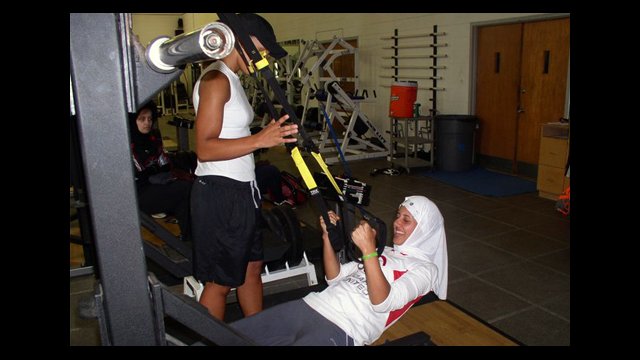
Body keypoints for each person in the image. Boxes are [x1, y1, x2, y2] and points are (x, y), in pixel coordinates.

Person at [190, 13, 298, 321]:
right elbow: (205, 148)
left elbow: (233, 135)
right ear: (242, 40)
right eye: (262, 49)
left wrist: (269, 135)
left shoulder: (231, 78)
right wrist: (260, 140)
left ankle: (258, 333)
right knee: (220, 281)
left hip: (242, 192)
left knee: (252, 269)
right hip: (220, 195)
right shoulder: (215, 80)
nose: (264, 57)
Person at [229, 195, 448, 346]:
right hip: (311, 304)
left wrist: (369, 251)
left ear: (424, 229)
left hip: (344, 328)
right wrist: (326, 236)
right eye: (398, 216)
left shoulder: (426, 270)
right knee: (227, 337)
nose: (396, 223)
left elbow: (383, 302)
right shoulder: (386, 252)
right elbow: (333, 277)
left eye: (406, 220)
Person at [129, 101, 192, 242]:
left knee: (187, 191)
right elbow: (140, 172)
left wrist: (153, 169)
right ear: (133, 121)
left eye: (150, 119)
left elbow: (165, 164)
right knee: (184, 189)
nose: (147, 123)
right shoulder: (128, 143)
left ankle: (188, 238)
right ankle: (189, 237)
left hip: (155, 186)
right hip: (137, 194)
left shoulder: (153, 138)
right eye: (142, 119)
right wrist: (154, 168)